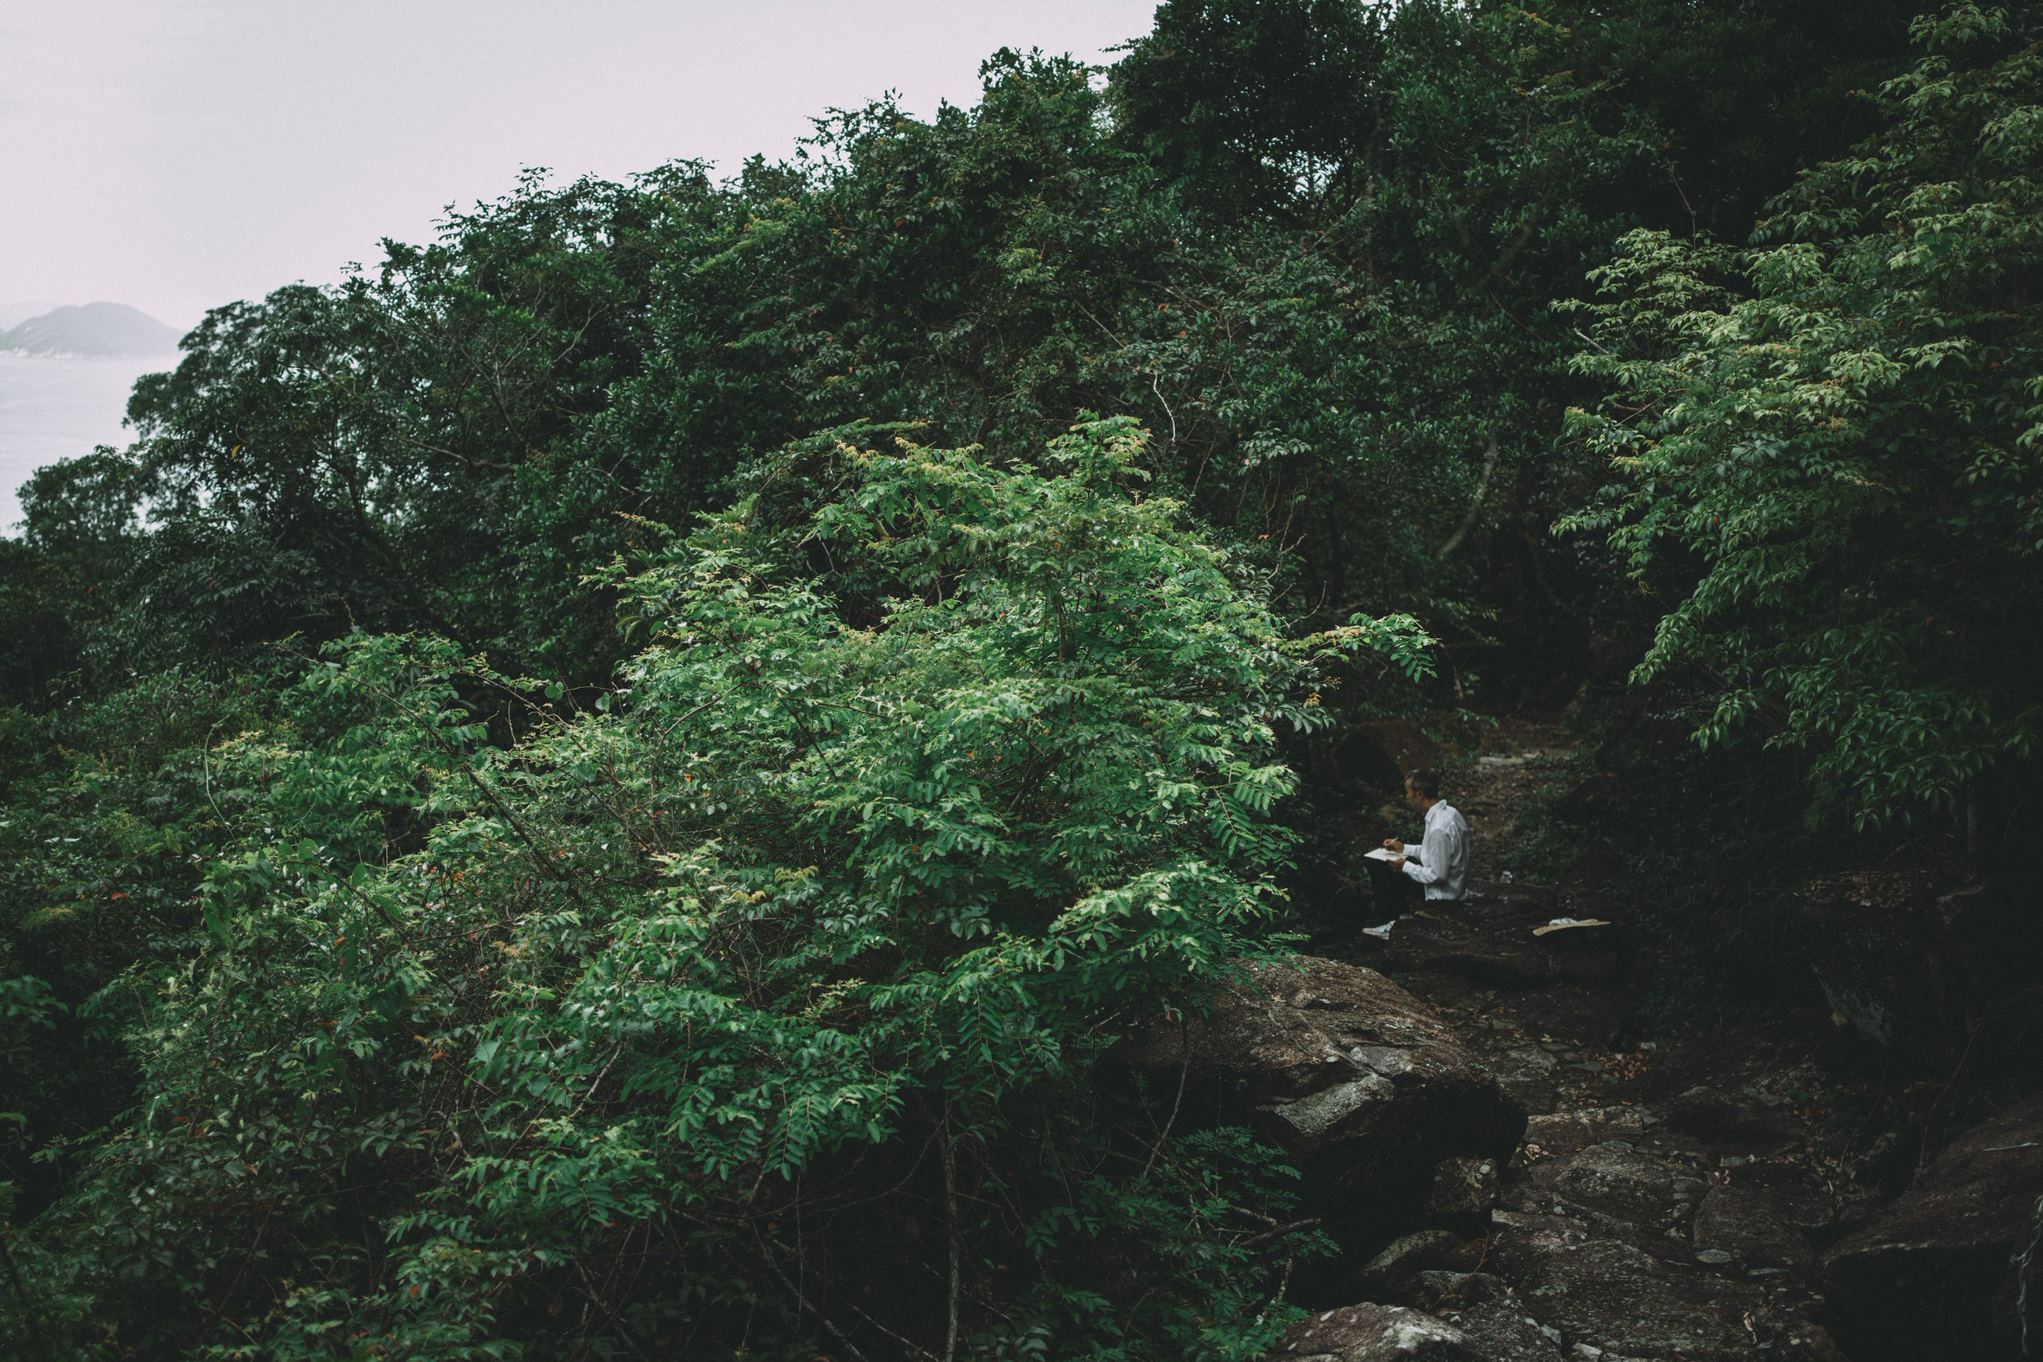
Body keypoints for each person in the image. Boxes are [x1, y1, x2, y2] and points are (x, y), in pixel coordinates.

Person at [1361, 767, 1469, 940]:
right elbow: (1432, 852)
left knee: (1382, 867)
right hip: (1452, 885)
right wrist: (1402, 849)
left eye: (1408, 792)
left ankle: (1393, 924)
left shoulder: (1438, 828)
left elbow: (1437, 875)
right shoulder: (1449, 813)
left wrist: (1406, 866)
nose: (1406, 797)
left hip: (1443, 895)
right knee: (1390, 863)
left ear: (1419, 795)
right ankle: (1401, 918)